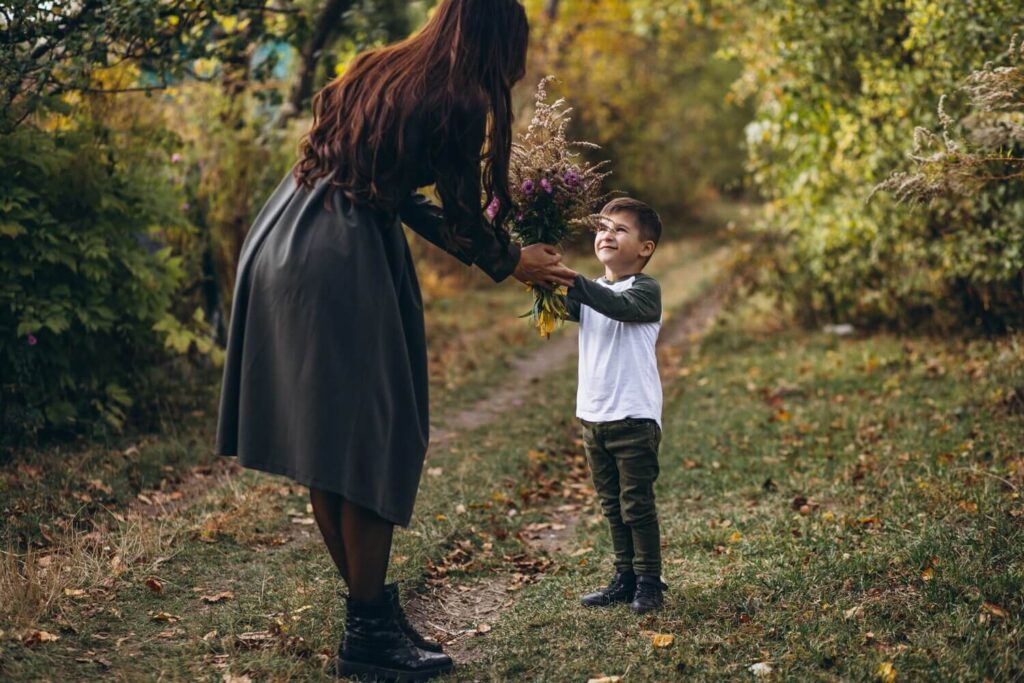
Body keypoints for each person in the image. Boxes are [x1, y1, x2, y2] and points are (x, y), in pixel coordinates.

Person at [214, 1, 576, 679]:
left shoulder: (383, 66)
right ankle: (368, 633)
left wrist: (500, 255)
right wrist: (512, 259)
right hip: (339, 255)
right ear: (501, 34)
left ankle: (372, 616)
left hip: (283, 231)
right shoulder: (459, 95)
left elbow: (405, 197)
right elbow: (464, 216)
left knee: (334, 446)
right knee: (374, 442)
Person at [562, 197, 668, 614]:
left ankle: (649, 581)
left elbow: (616, 307)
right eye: (602, 227)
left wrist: (572, 280)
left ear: (646, 248)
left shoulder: (644, 290)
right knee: (611, 505)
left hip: (634, 417)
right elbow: (557, 300)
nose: (607, 234)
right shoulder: (591, 289)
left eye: (620, 229)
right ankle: (624, 577)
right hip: (593, 416)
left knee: (636, 503)